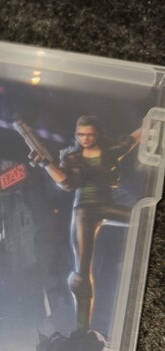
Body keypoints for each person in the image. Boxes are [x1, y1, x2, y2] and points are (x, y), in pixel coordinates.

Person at [37, 115, 141, 329]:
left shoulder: (110, 150)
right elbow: (66, 183)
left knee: (145, 219)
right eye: (81, 135)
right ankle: (82, 329)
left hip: (106, 206)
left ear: (97, 134)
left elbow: (131, 140)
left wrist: (154, 122)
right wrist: (46, 164)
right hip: (84, 212)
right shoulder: (72, 158)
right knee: (82, 272)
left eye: (90, 134)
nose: (85, 139)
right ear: (76, 136)